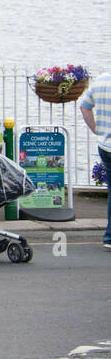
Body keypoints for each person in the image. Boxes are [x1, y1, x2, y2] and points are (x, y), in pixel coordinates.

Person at [77, 70, 111, 251]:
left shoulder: (100, 81)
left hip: (105, 145)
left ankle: (110, 237)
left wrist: (97, 130)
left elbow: (84, 107)